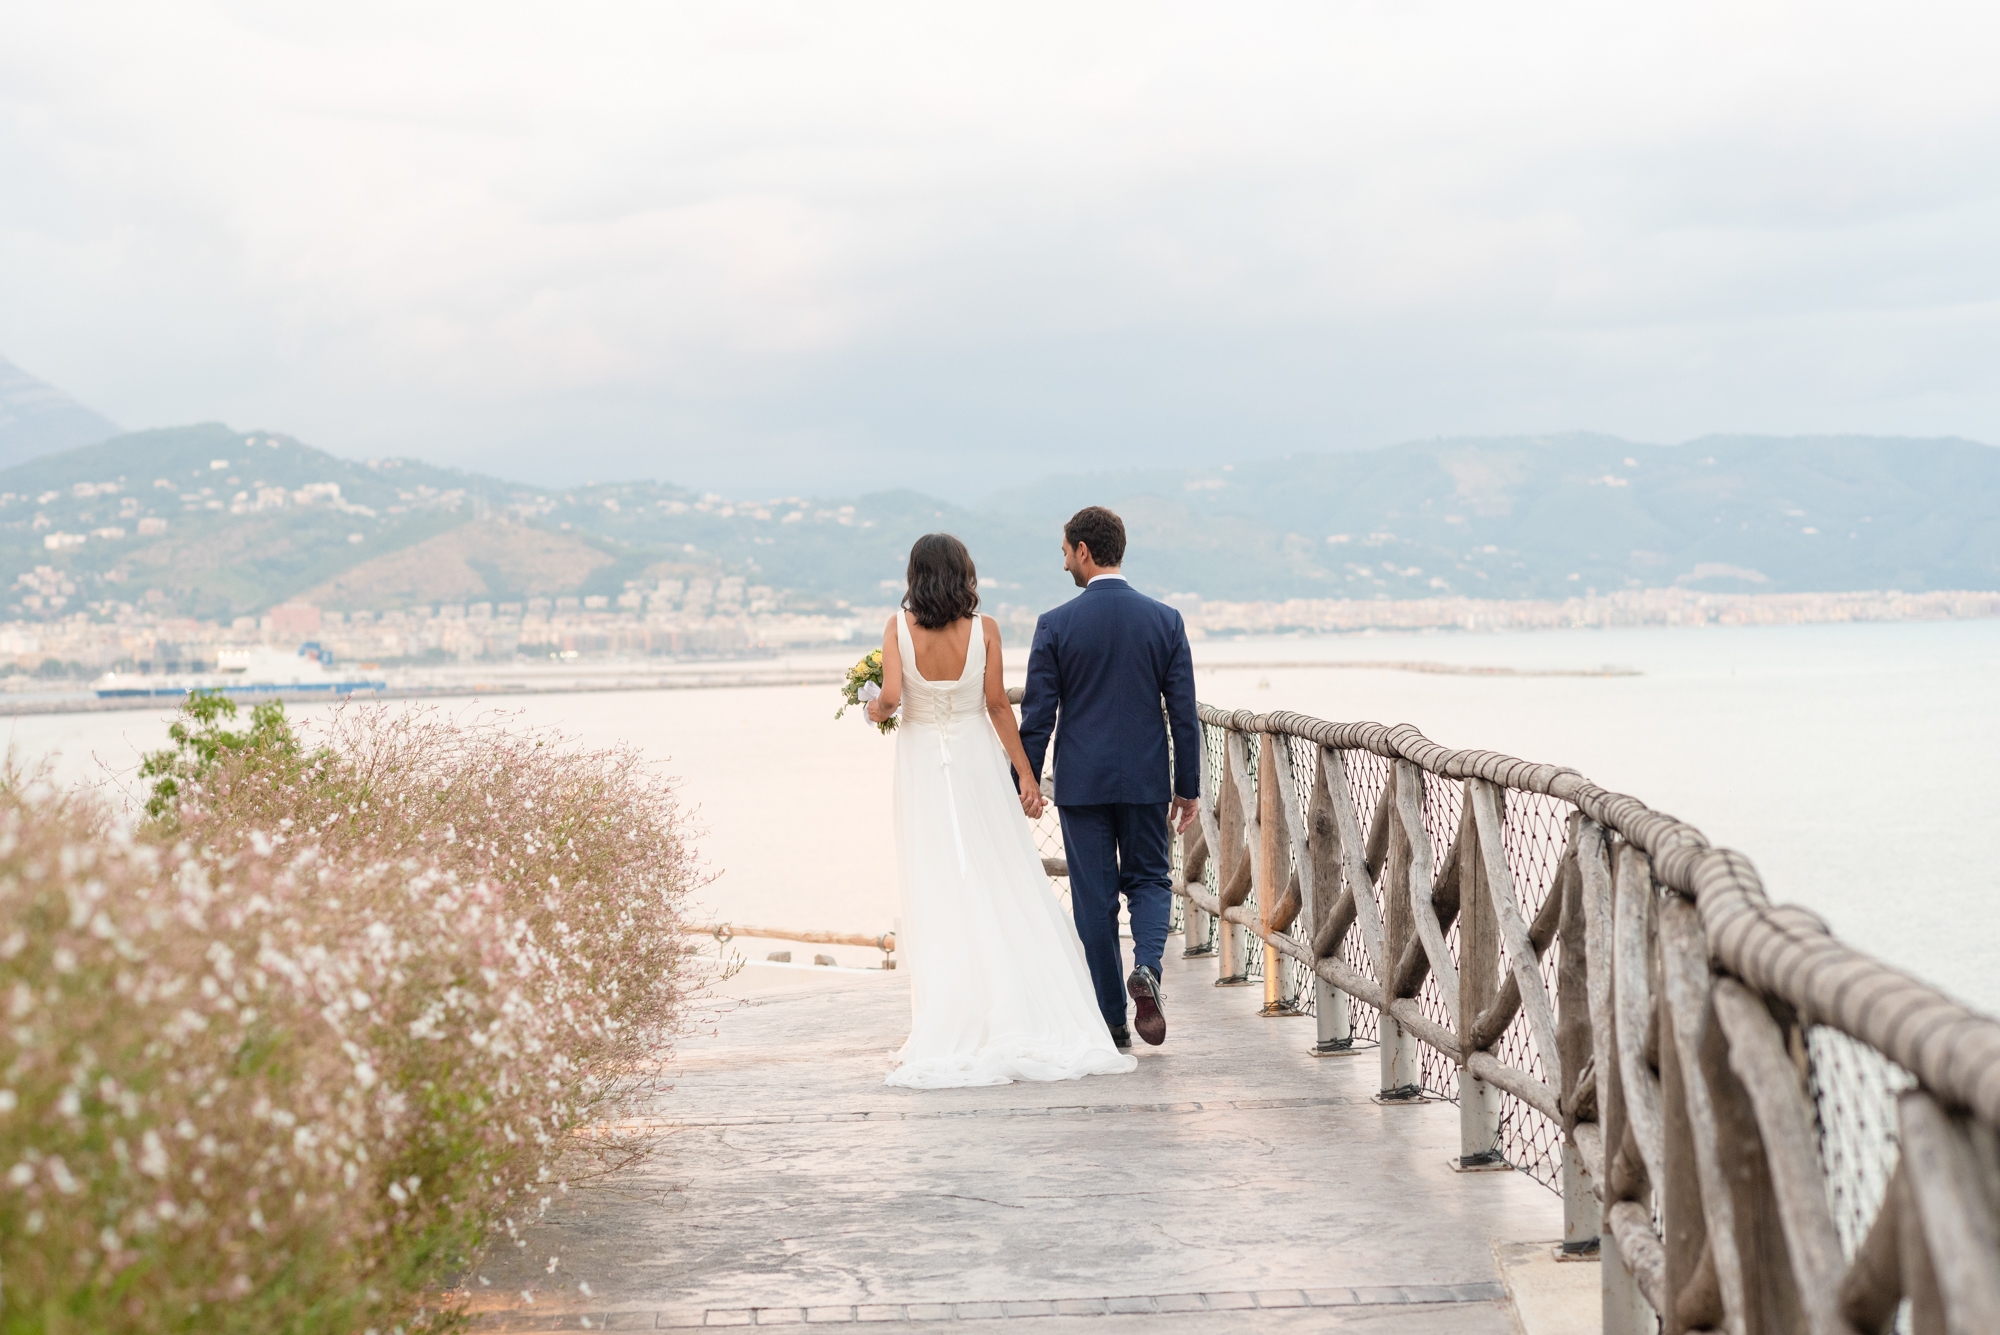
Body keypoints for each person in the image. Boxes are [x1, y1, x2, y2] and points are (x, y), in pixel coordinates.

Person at [866, 533, 1136, 1088]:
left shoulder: (896, 629)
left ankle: (955, 1010)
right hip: (975, 760)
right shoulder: (985, 630)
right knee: (1001, 870)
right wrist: (1027, 777)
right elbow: (995, 705)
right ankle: (1029, 1001)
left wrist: (871, 709)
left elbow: (892, 699)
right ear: (964, 572)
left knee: (936, 877)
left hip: (922, 761)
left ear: (915, 574)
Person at [1018, 507, 1199, 1049]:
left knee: (1093, 900)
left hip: (1083, 785)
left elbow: (1038, 717)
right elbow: (1184, 713)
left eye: (1067, 552)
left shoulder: (1055, 624)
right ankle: (1147, 967)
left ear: (1084, 551)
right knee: (1149, 879)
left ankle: (1112, 1018)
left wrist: (1020, 781)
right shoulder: (1165, 620)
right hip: (1146, 780)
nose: (1065, 562)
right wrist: (1186, 786)